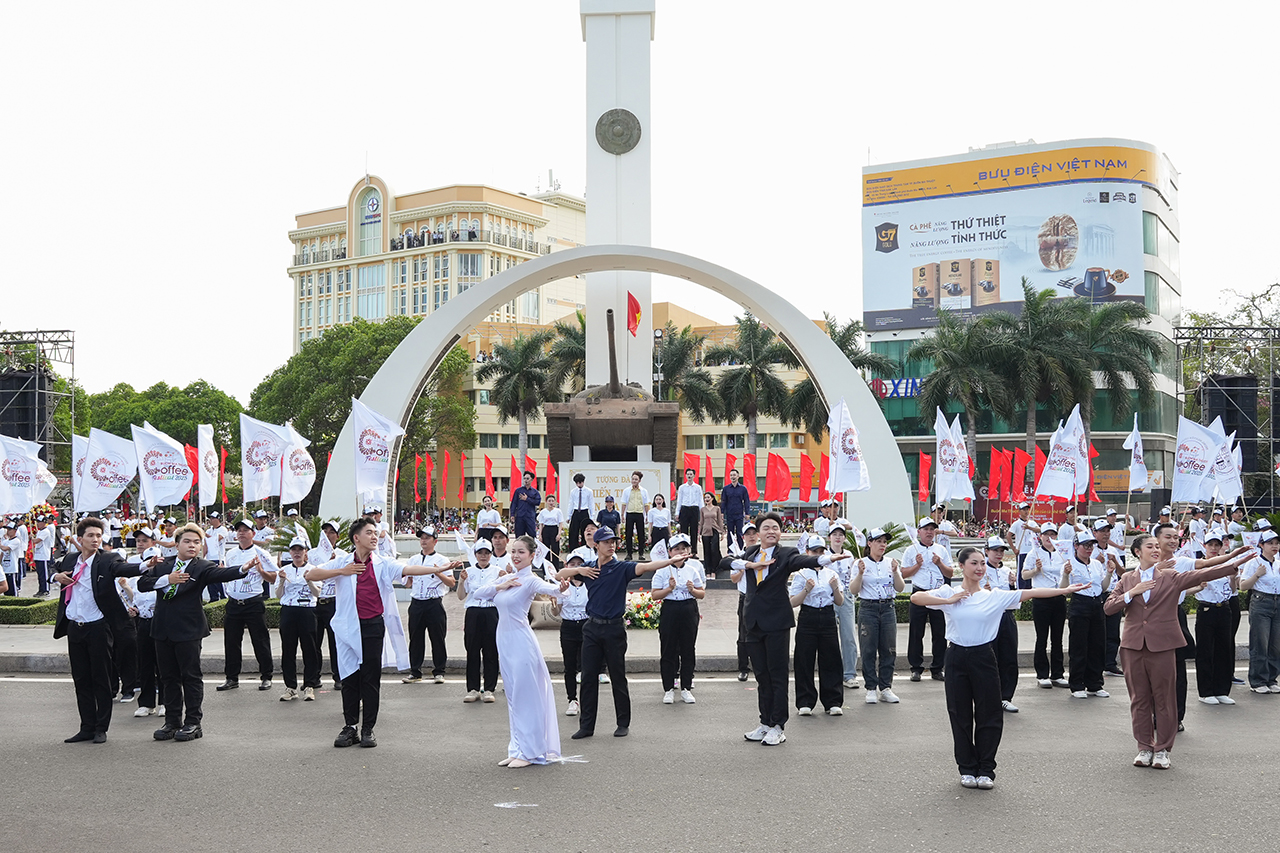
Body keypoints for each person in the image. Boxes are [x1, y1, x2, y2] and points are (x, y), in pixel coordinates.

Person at [912, 546, 1086, 789]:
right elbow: (916, 598)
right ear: (961, 566)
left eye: (982, 563)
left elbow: (1032, 592)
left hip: (984, 656)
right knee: (959, 714)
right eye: (974, 563)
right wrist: (948, 600)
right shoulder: (948, 591)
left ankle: (985, 769)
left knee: (989, 714)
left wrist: (1065, 590)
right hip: (956, 657)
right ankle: (967, 768)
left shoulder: (994, 596)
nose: (980, 568)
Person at [1105, 534, 1249, 769]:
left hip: (1162, 645)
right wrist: (1133, 592)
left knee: (1164, 699)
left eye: (1156, 546)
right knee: (1139, 699)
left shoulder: (1171, 576)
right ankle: (1144, 747)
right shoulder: (1127, 579)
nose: (1155, 549)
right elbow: (1109, 608)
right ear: (1137, 552)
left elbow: (1201, 574)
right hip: (1132, 646)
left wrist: (1232, 564)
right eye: (1149, 546)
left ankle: (1162, 749)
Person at [305, 518, 436, 748]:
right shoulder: (344, 562)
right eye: (369, 532)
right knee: (349, 678)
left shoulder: (383, 563)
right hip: (347, 628)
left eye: (375, 533)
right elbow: (311, 574)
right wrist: (343, 571)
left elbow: (408, 569)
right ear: (356, 538)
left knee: (370, 678)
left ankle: (368, 729)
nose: (375, 536)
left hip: (373, 626)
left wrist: (441, 568)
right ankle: (350, 727)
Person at [730, 512, 853, 746]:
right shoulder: (751, 553)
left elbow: (804, 561)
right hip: (753, 622)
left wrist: (826, 560)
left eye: (775, 528)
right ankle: (764, 722)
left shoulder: (786, 554)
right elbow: (726, 563)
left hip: (776, 622)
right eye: (766, 527)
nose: (771, 531)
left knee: (777, 676)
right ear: (758, 533)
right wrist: (749, 564)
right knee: (762, 677)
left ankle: (778, 725)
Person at [556, 526, 689, 739]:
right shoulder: (589, 568)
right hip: (591, 628)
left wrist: (672, 560)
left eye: (613, 541)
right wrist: (579, 570)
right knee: (588, 678)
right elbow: (559, 574)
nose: (611, 545)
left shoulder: (622, 568)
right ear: (596, 545)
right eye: (606, 542)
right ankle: (587, 726)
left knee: (617, 676)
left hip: (613, 628)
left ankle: (623, 722)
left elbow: (647, 566)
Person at [136, 522, 260, 741]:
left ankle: (193, 722)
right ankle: (172, 722)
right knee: (168, 677)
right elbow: (143, 584)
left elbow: (221, 574)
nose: (192, 545)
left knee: (190, 677)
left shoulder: (201, 566)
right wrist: (168, 580)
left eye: (196, 542)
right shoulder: (164, 565)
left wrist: (243, 569)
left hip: (188, 630)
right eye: (187, 541)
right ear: (177, 544)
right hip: (162, 629)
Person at [472, 534, 568, 767]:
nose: (515, 556)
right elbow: (477, 593)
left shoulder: (531, 580)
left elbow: (556, 590)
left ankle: (532, 751)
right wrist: (501, 584)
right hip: (504, 642)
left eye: (521, 552)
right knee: (514, 697)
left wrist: (562, 586)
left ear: (532, 555)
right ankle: (517, 748)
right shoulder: (508, 577)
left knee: (527, 697)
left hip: (521, 642)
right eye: (513, 551)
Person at [50, 517, 141, 744]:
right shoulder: (71, 558)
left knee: (101, 679)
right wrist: (56, 576)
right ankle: (86, 727)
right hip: (75, 627)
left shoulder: (107, 559)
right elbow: (51, 566)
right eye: (90, 536)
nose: (95, 540)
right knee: (81, 679)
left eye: (99, 536)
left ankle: (101, 727)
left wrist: (144, 566)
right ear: (79, 539)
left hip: (98, 627)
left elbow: (123, 567)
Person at [216, 518, 278, 692]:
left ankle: (266, 676)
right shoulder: (231, 554)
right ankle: (231, 677)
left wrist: (261, 571)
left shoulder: (261, 553)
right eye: (239, 530)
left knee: (260, 641)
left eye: (245, 530)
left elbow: (274, 577)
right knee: (231, 642)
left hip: (253, 603)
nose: (241, 533)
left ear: (253, 533)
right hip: (234, 603)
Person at [789, 537, 845, 717]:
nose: (818, 555)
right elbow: (792, 603)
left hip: (827, 616)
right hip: (808, 616)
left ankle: (833, 701)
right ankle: (805, 701)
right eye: (815, 551)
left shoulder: (831, 574)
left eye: (821, 551)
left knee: (831, 658)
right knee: (804, 659)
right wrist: (806, 590)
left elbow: (840, 601)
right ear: (808, 552)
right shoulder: (801, 574)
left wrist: (836, 588)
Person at [402, 527, 461, 685]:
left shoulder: (442, 560)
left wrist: (439, 572)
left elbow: (451, 582)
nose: (423, 540)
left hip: (434, 602)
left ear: (435, 541)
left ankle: (439, 671)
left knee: (437, 638)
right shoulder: (413, 560)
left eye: (427, 538)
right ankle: (415, 671)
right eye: (421, 537)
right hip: (417, 602)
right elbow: (408, 583)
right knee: (415, 639)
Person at [851, 527, 903, 704]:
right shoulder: (860, 563)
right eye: (878, 541)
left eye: (884, 541)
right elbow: (853, 590)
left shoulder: (891, 562)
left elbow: (900, 588)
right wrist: (860, 574)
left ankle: (886, 687)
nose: (882, 545)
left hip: (888, 607)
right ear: (869, 543)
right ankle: (871, 688)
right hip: (868, 608)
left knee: (889, 649)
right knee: (868, 649)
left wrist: (896, 572)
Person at [652, 534, 706, 705]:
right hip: (670, 609)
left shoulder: (693, 569)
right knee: (668, 649)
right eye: (677, 549)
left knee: (688, 648)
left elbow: (701, 593)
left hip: (688, 609)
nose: (681, 552)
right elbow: (654, 595)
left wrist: (692, 590)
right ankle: (668, 689)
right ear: (669, 552)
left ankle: (686, 688)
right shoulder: (662, 570)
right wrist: (669, 588)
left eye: (684, 548)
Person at [1062, 530, 1116, 699]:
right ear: (1076, 546)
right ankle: (1077, 683)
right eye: (1085, 545)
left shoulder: (1095, 564)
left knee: (1097, 645)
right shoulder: (1069, 564)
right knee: (1079, 646)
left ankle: (1094, 683)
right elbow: (1064, 591)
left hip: (1096, 603)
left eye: (1091, 545)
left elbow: (1104, 587)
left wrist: (1108, 573)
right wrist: (1065, 574)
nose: (1089, 549)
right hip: (1079, 604)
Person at [903, 517, 954, 682]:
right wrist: (917, 565)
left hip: (938, 594)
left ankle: (937, 668)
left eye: (932, 529)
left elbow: (950, 573)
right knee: (916, 632)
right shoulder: (911, 550)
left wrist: (939, 563)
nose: (929, 532)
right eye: (926, 529)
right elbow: (903, 574)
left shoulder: (941, 549)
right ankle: (916, 668)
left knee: (940, 633)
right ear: (919, 532)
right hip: (920, 593)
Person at [1193, 529, 1238, 705]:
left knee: (1223, 650)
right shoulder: (1199, 565)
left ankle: (1221, 690)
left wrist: (1233, 578)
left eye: (1216, 545)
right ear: (1205, 546)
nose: (1213, 548)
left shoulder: (1225, 565)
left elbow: (1233, 590)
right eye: (1210, 545)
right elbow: (1187, 588)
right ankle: (1205, 691)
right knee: (1205, 651)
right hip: (1206, 610)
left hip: (1224, 609)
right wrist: (1199, 586)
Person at [275, 538, 322, 702]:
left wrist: (309, 580)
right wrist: (281, 580)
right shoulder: (284, 570)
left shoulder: (313, 570)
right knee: (288, 649)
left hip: (307, 610)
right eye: (294, 550)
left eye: (300, 550)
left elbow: (317, 594)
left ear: (305, 552)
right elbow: (278, 595)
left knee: (309, 648)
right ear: (290, 552)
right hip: (288, 610)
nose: (297, 553)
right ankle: (290, 687)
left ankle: (309, 685)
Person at [1022, 528, 1069, 689]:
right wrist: (1036, 570)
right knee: (1041, 637)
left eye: (1053, 534)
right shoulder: (1034, 553)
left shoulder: (1062, 554)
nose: (1050, 538)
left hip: (1059, 596)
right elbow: (1024, 575)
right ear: (1040, 536)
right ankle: (1042, 674)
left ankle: (1057, 673)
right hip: (1041, 598)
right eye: (1046, 535)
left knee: (1057, 638)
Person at [457, 538, 501, 703]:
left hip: (491, 611)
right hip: (473, 612)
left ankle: (489, 688)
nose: (483, 556)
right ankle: (473, 688)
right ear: (475, 554)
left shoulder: (498, 571)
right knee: (472, 651)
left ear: (491, 554)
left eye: (486, 553)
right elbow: (461, 596)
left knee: (491, 651)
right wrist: (461, 581)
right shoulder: (468, 571)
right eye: (480, 553)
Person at [1239, 529, 1280, 694]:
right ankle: (1258, 680)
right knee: (1260, 643)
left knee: (1275, 645)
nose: (1274, 546)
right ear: (1261, 545)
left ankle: (1271, 678)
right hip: (1261, 601)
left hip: (1278, 602)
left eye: (1277, 543)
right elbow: (1242, 586)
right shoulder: (1254, 563)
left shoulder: (1278, 562)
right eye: (1270, 543)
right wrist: (1257, 575)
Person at [554, 549, 591, 716]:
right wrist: (554, 602)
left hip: (586, 626)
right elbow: (556, 612)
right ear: (567, 566)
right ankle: (572, 699)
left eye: (579, 564)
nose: (576, 567)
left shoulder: (590, 585)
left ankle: (587, 700)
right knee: (569, 667)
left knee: (587, 666)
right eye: (573, 564)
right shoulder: (563, 586)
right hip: (568, 627)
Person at [310, 521, 346, 690]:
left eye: (332, 532)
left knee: (335, 642)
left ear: (337, 536)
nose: (328, 534)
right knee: (313, 643)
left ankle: (339, 676)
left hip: (334, 603)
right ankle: (314, 677)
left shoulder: (343, 556)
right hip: (315, 603)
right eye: (325, 531)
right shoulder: (311, 554)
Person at [724, 521, 760, 682]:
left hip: (761, 597)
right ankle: (743, 668)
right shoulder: (738, 556)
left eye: (754, 533)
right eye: (748, 534)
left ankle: (760, 665)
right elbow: (733, 579)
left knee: (762, 632)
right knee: (743, 633)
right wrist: (742, 568)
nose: (751, 537)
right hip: (745, 597)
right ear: (743, 537)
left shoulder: (763, 555)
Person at [827, 521, 859, 690]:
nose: (838, 538)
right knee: (829, 638)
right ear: (829, 537)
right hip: (828, 597)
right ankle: (832, 673)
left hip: (846, 596)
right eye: (835, 535)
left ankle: (849, 674)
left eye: (841, 535)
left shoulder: (849, 555)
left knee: (848, 636)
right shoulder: (824, 555)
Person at [1006, 503, 1041, 590]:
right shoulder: (1017, 523)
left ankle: (1031, 588)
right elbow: (1008, 535)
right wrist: (1014, 548)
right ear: (1019, 511)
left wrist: (1029, 527)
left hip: (1032, 551)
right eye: (1023, 510)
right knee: (1021, 571)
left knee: (1032, 570)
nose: (1026, 511)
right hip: (1022, 551)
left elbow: (1040, 530)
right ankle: (1021, 589)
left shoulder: (1032, 522)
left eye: (1027, 509)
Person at [620, 471, 650, 560]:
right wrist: (622, 515)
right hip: (630, 513)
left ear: (639, 480)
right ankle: (629, 553)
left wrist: (648, 515)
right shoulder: (627, 490)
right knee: (628, 534)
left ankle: (641, 553)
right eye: (633, 479)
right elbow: (624, 503)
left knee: (641, 534)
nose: (634, 481)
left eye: (636, 479)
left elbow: (646, 504)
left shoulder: (644, 491)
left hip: (639, 514)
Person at [720, 468, 750, 553]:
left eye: (734, 475)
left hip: (739, 514)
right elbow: (723, 501)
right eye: (731, 475)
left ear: (738, 476)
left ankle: (740, 550)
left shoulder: (743, 488)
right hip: (729, 514)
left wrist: (747, 513)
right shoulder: (726, 489)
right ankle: (730, 550)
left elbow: (746, 501)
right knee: (730, 533)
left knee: (740, 533)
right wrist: (722, 512)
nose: (733, 477)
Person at [674, 468, 702, 558]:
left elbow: (700, 500)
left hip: (694, 509)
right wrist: (677, 513)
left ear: (694, 476)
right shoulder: (682, 487)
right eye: (688, 474)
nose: (689, 476)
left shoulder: (698, 487)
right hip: (684, 509)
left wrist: (702, 512)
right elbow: (679, 500)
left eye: (691, 474)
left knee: (694, 531)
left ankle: (694, 552)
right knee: (684, 531)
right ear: (686, 476)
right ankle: (684, 551)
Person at [203, 512, 230, 602]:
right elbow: (206, 545)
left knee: (219, 579)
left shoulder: (223, 530)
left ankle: (223, 596)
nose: (211, 520)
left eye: (213, 518)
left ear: (218, 519)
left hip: (218, 557)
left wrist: (204, 534)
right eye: (210, 518)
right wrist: (203, 557)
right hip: (209, 557)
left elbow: (216, 540)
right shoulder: (209, 530)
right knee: (210, 580)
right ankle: (213, 597)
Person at [565, 474, 595, 550]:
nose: (579, 484)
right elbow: (571, 503)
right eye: (577, 483)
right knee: (573, 532)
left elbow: (591, 504)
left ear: (583, 482)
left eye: (580, 483)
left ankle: (585, 549)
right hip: (576, 512)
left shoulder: (588, 491)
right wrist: (569, 516)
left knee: (584, 532)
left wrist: (592, 516)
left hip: (584, 512)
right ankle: (573, 550)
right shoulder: (573, 492)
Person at [699, 492, 724, 578]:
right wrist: (699, 533)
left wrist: (722, 532)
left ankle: (714, 570)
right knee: (707, 551)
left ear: (712, 498)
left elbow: (720, 521)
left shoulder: (717, 508)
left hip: (715, 530)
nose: (707, 499)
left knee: (714, 550)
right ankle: (708, 571)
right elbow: (701, 522)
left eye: (708, 497)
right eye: (705, 497)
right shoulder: (702, 509)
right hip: (705, 531)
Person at [510, 471, 541, 539]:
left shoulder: (535, 492)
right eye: (524, 478)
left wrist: (527, 499)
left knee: (532, 535)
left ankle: (532, 549)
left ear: (531, 480)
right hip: (520, 516)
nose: (526, 480)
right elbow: (514, 503)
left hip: (530, 516)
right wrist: (512, 514)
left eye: (527, 478)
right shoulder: (518, 491)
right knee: (519, 537)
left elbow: (537, 502)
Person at [31, 515, 54, 597]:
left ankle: (46, 590)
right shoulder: (40, 531)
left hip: (44, 556)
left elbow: (37, 541)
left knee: (44, 574)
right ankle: (41, 589)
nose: (38, 524)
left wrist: (32, 539)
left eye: (39, 522)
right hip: (38, 555)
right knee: (40, 575)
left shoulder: (46, 531)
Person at [537, 495, 565, 564]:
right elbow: (541, 524)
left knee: (555, 549)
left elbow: (561, 523)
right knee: (546, 550)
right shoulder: (543, 512)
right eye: (549, 501)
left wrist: (559, 534)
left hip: (554, 529)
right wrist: (540, 535)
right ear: (546, 502)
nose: (551, 502)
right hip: (546, 530)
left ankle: (556, 568)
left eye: (552, 501)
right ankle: (546, 569)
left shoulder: (558, 511)